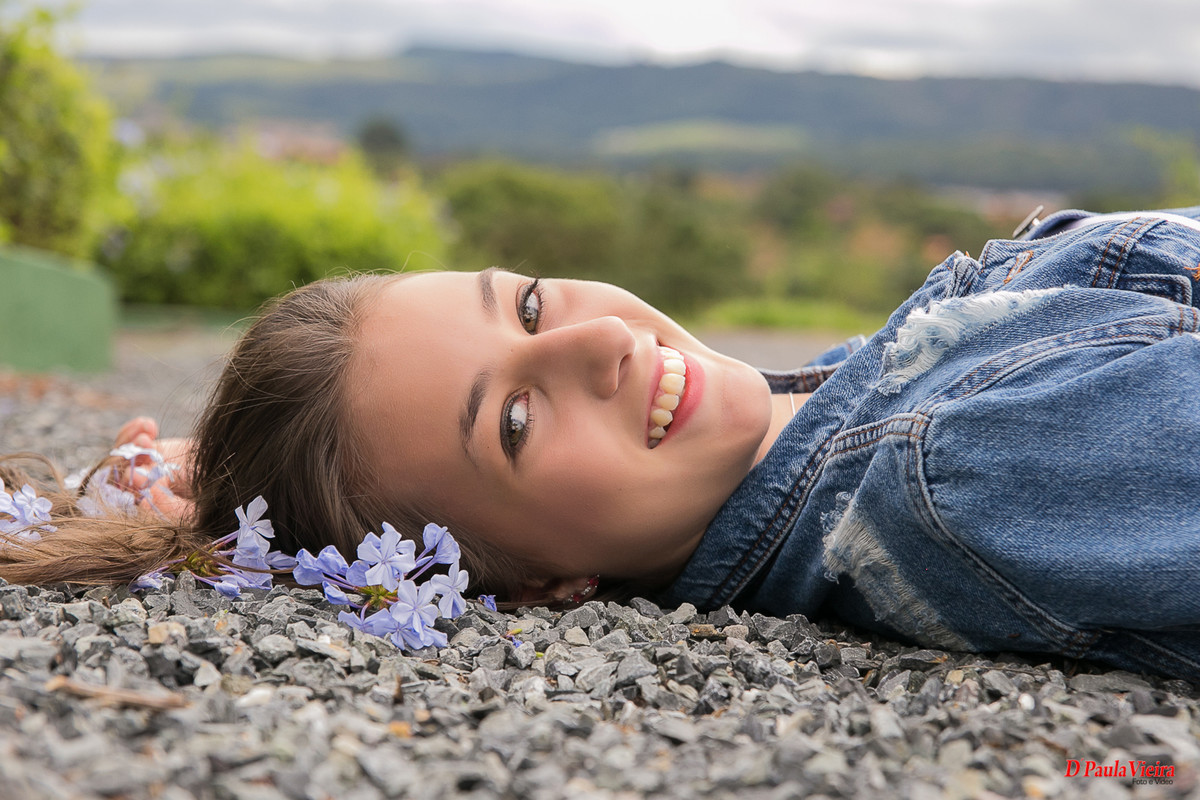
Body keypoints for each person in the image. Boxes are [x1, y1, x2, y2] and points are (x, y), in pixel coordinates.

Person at [3, 206, 1200, 681]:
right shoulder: (967, 472)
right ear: (539, 585)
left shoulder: (855, 394)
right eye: (514, 421)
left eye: (524, 301)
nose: (594, 342)